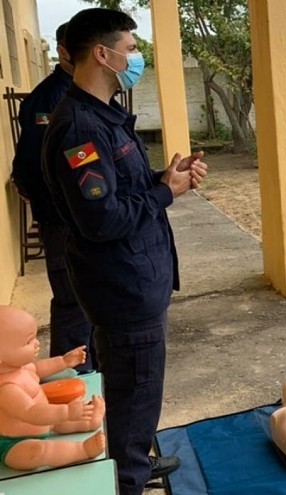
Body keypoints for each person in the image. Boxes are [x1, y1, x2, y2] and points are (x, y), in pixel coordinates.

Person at [40, 8, 207, 494]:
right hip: (123, 290)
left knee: (133, 401)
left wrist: (164, 179)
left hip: (138, 282)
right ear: (103, 54)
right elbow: (102, 219)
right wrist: (165, 193)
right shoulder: (80, 129)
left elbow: (121, 191)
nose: (137, 58)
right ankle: (129, 478)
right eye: (131, 49)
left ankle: (132, 461)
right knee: (134, 404)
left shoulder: (106, 117)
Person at [10, 23, 94, 372]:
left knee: (86, 295)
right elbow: (33, 159)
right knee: (71, 298)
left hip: (81, 217)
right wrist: (42, 201)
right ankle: (70, 377)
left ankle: (87, 367)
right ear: (63, 52)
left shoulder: (82, 93)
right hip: (61, 218)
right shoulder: (52, 98)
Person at [0, 306, 105, 471]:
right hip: (13, 444)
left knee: (58, 422)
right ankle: (82, 450)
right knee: (39, 452)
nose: (37, 343)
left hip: (43, 424)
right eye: (28, 342)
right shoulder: (6, 389)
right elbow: (31, 412)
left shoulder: (20, 367)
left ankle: (90, 422)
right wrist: (66, 412)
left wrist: (63, 362)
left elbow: (40, 368)